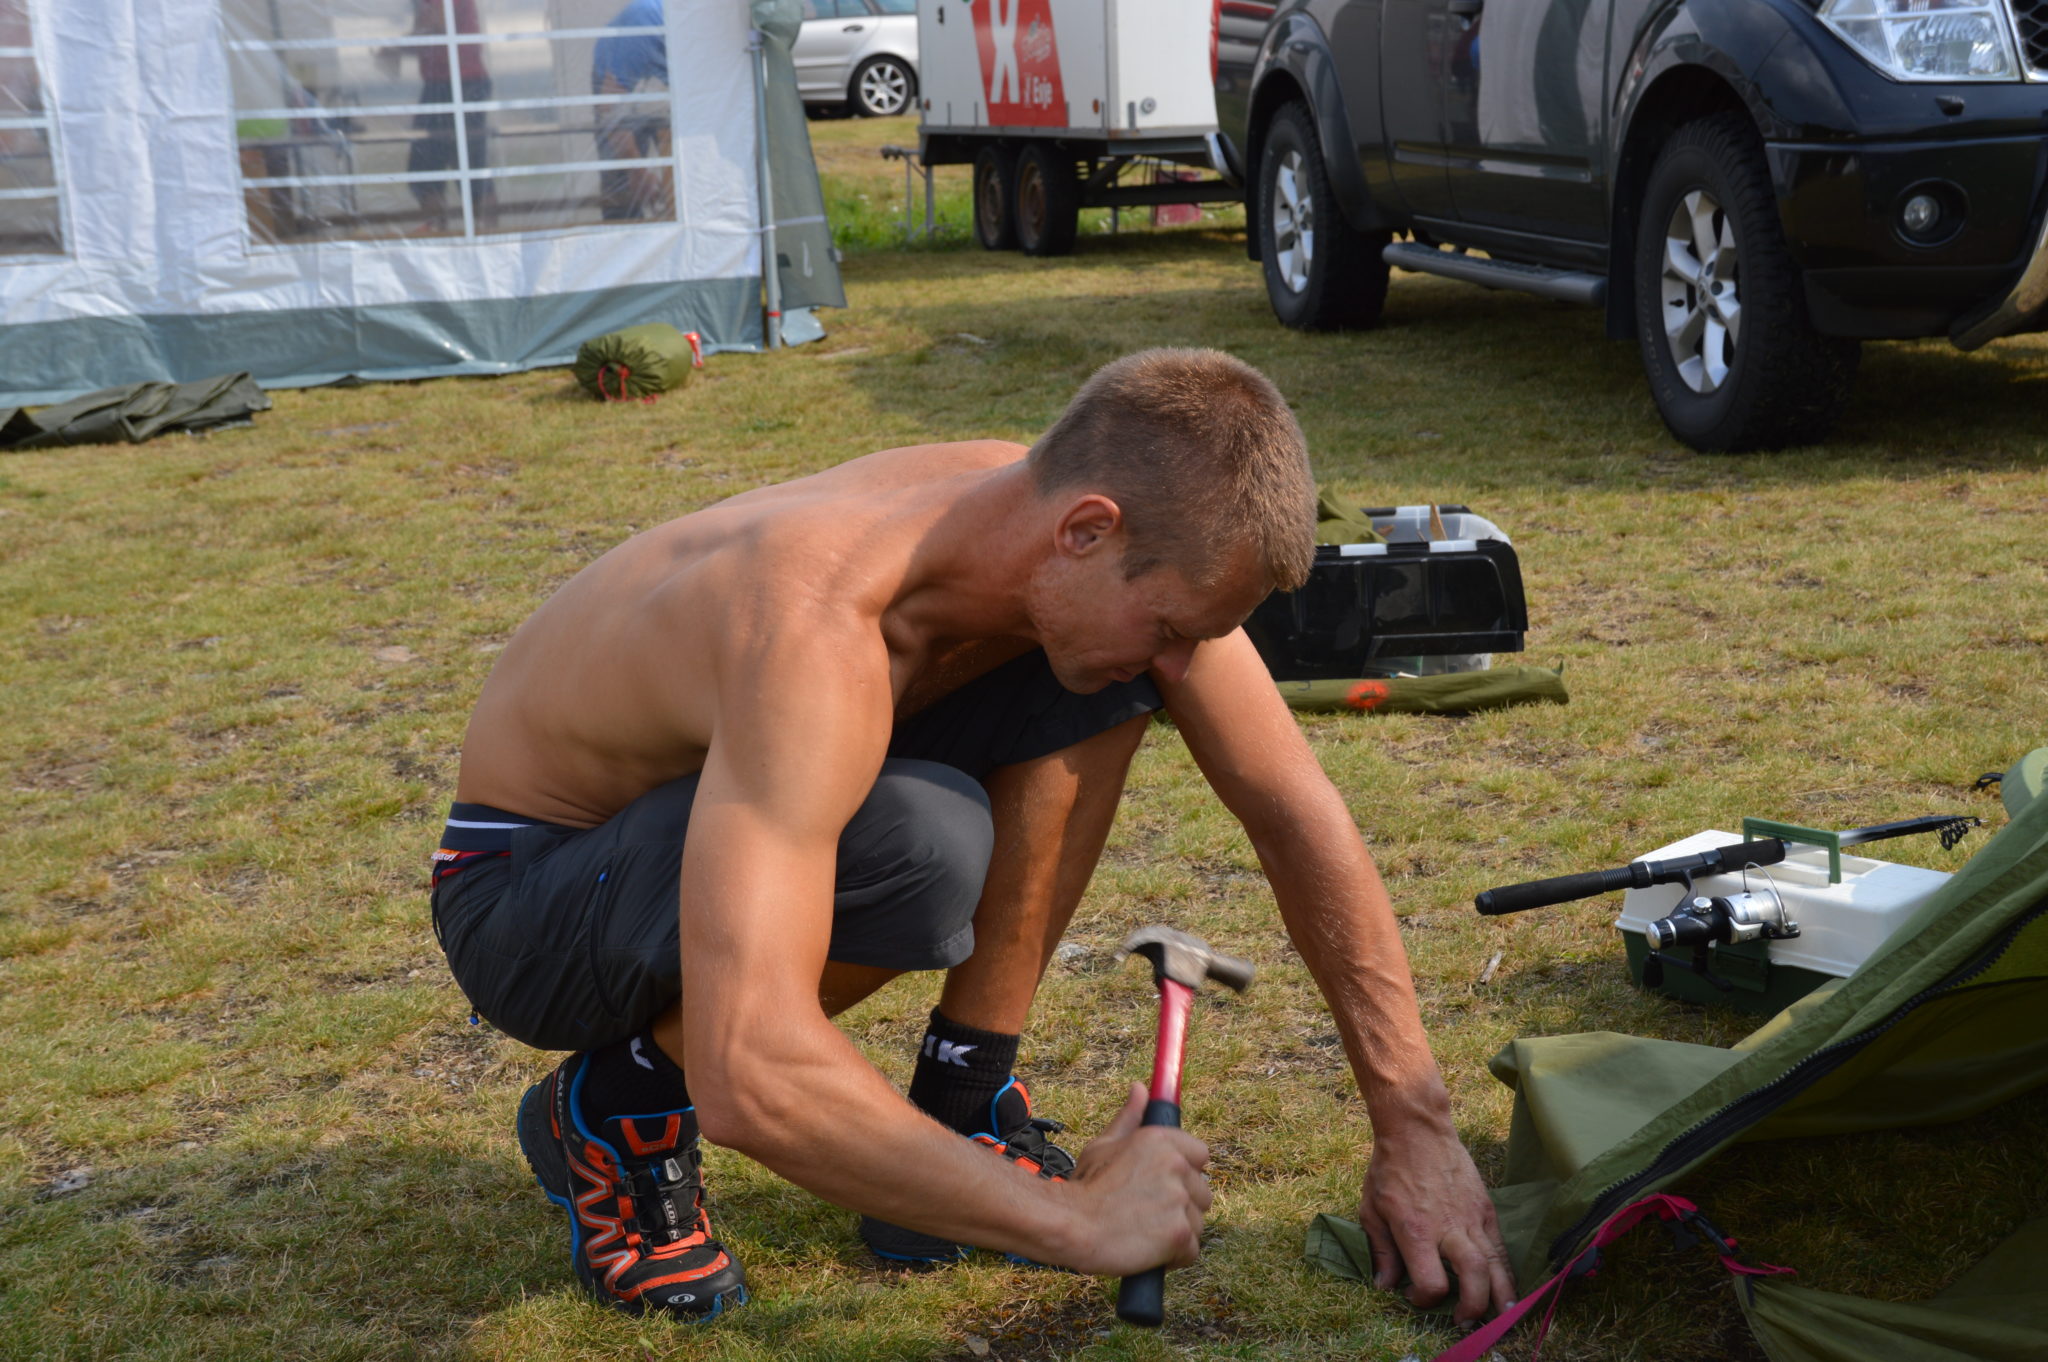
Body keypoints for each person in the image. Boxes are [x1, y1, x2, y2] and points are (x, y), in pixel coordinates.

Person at [430, 349, 1516, 1322]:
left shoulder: (1065, 525)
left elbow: (1292, 811)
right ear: (1087, 529)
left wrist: (1414, 1123)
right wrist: (1080, 1226)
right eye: (1176, 626)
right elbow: (749, 1072)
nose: (1184, 662)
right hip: (527, 892)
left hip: (686, 818)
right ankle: (616, 1105)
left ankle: (963, 1097)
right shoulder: (817, 627)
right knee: (920, 841)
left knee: (1101, 687)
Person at [386, 0, 493, 233]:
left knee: (428, 169)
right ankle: (480, 234)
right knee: (463, 163)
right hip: (456, 81)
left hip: (454, 82)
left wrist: (396, 47)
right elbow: (432, 30)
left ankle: (444, 234)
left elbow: (434, 26)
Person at [589, 0, 668, 221]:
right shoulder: (642, 26)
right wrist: (635, 169)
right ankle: (623, 238)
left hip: (656, 71)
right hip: (615, 76)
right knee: (621, 178)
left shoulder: (702, 23)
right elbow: (610, 108)